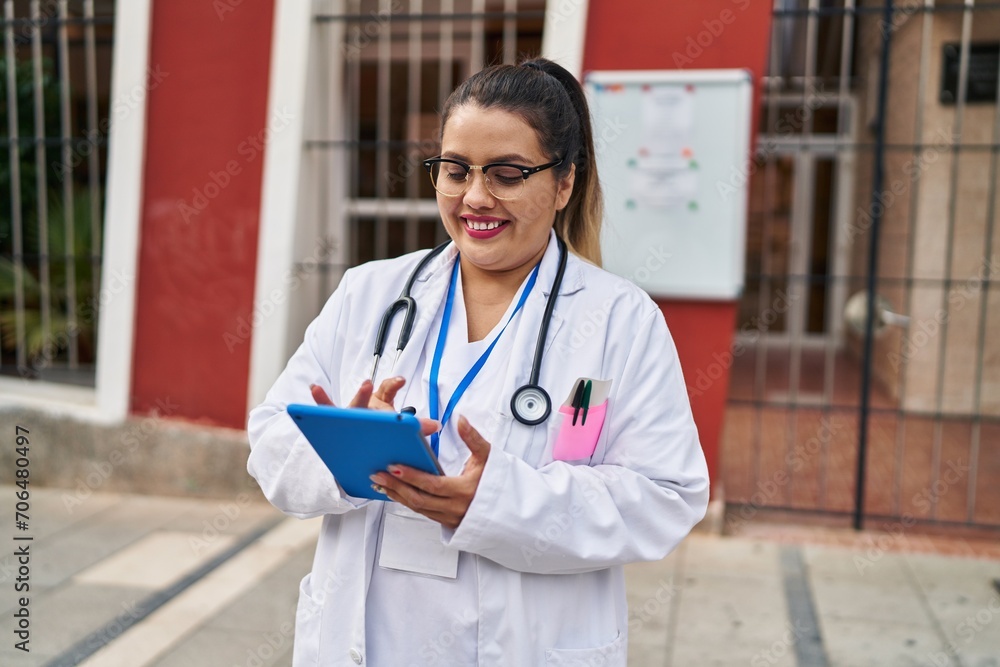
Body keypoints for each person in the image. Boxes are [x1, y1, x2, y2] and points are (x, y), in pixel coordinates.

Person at [247, 57, 709, 667]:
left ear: (564, 182)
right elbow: (272, 439)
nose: (475, 197)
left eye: (507, 173)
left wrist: (500, 502)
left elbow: (666, 495)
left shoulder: (620, 321)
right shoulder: (371, 294)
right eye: (455, 170)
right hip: (367, 640)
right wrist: (347, 453)